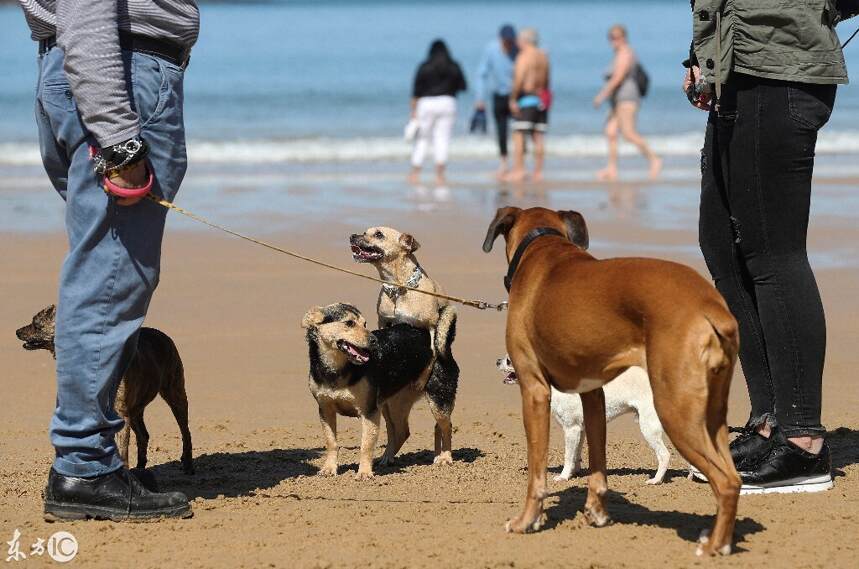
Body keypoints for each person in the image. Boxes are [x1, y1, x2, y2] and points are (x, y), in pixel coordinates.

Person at [17, 0, 198, 519]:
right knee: (109, 277)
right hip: (117, 71)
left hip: (91, 69)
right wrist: (118, 136)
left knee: (103, 270)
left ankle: (85, 461)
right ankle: (85, 468)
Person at [686, 0, 852, 493]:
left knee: (773, 252)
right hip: (733, 67)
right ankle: (769, 424)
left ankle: (803, 443)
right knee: (722, 247)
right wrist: (696, 53)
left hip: (783, 69)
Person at [593, 25, 661, 182]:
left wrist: (601, 96)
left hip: (627, 99)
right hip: (617, 101)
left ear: (624, 37)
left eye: (616, 37)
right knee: (610, 131)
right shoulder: (618, 53)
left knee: (628, 133)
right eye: (611, 37)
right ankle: (611, 168)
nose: (613, 40)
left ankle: (654, 159)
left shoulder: (625, 53)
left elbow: (618, 77)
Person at [409, 39, 468, 186]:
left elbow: (416, 90)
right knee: (442, 138)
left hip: (426, 103)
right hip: (448, 102)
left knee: (422, 138)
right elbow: (463, 86)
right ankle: (440, 175)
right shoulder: (453, 66)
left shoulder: (425, 66)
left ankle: (415, 173)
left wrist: (413, 111)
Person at [475, 24, 518, 179]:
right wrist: (480, 98)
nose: (509, 43)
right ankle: (504, 164)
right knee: (501, 130)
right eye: (506, 40)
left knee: (520, 130)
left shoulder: (518, 49)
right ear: (500, 39)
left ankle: (519, 165)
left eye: (511, 40)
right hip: (499, 95)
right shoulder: (491, 49)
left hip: (516, 95)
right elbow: (482, 73)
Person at [508, 28, 550, 183]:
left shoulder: (524, 56)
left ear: (524, 40)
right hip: (540, 99)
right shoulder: (543, 56)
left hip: (526, 99)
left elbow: (518, 79)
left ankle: (519, 170)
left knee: (519, 134)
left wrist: (513, 98)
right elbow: (547, 80)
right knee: (538, 136)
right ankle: (538, 172)